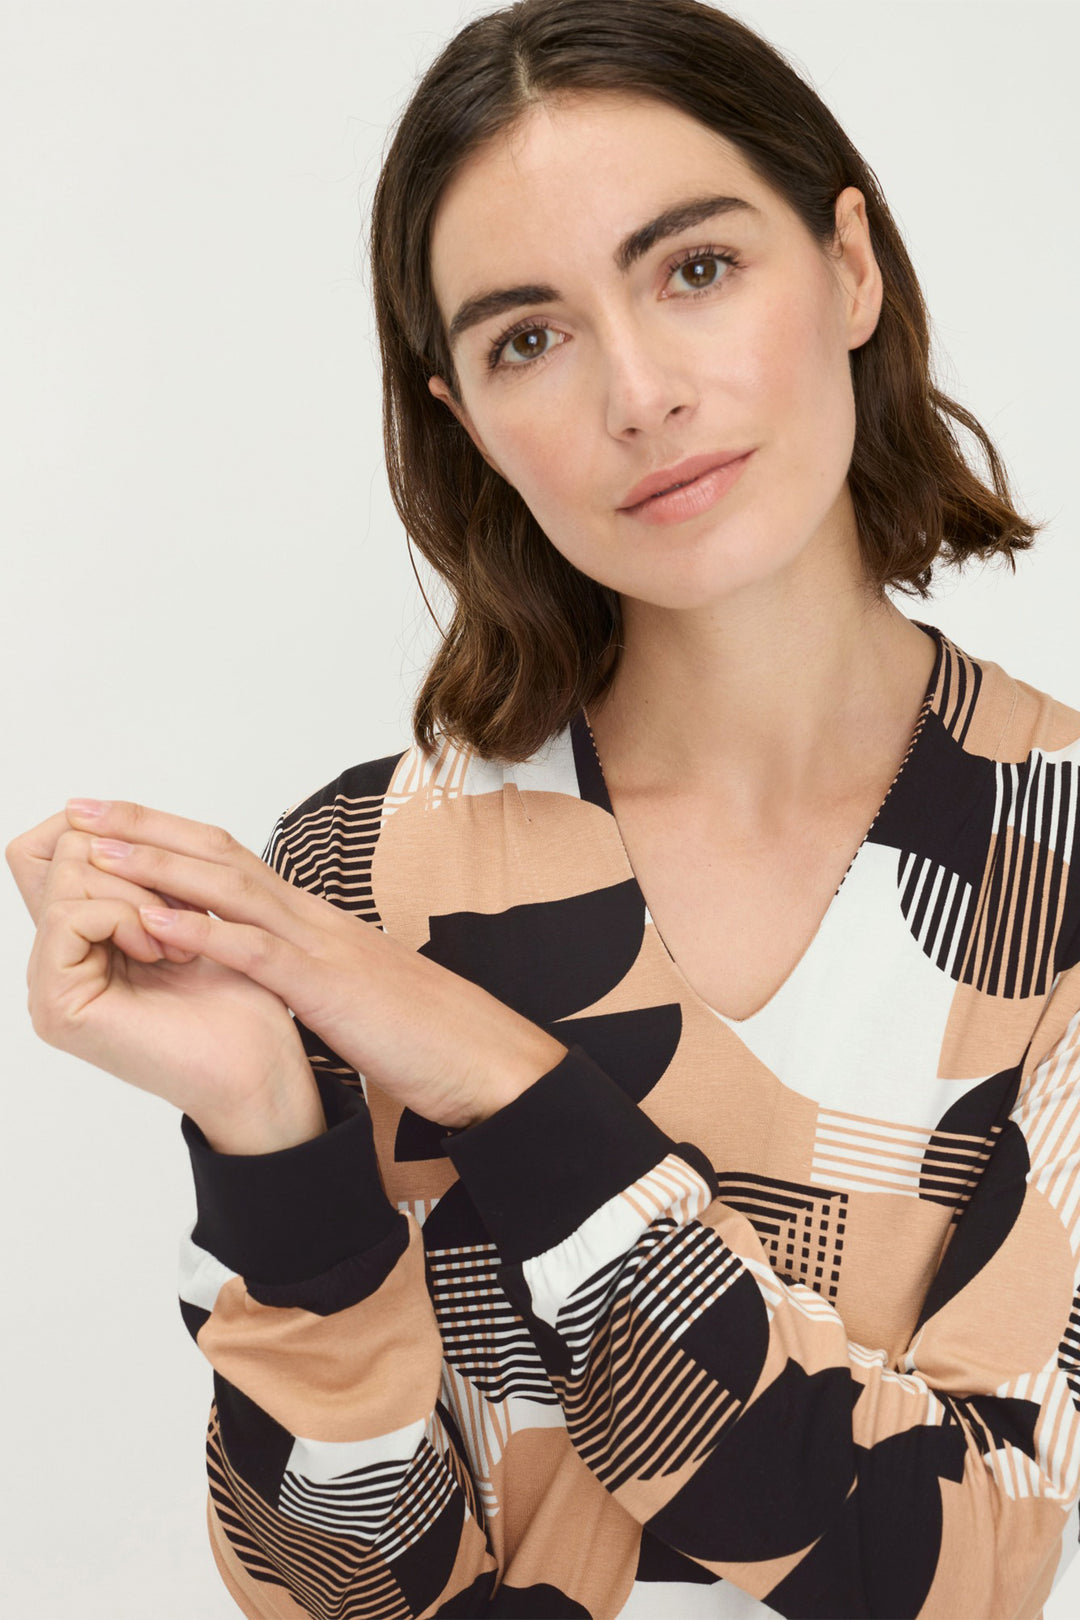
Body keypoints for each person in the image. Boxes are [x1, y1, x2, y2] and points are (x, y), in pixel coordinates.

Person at [8, 1, 1080, 1615]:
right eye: (529, 336)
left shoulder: (1054, 866)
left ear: (850, 266)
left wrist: (505, 1076)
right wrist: (269, 1143)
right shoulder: (353, 883)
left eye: (695, 270)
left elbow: (942, 1567)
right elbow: (349, 1592)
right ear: (467, 422)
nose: (638, 394)